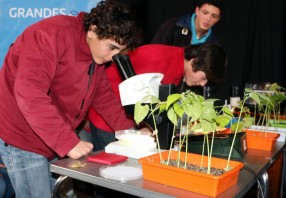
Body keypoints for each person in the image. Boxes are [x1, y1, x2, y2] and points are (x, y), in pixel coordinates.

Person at [0, 0, 141, 197]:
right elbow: (30, 94)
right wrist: (68, 142)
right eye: (112, 47)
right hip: (23, 137)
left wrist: (132, 134)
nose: (113, 57)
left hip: (52, 137)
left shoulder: (96, 53)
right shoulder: (50, 35)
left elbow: (103, 98)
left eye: (119, 51)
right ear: (93, 29)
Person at [88, 42, 228, 151]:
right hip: (108, 121)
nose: (203, 84)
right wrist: (131, 130)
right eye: (203, 78)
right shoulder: (159, 60)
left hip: (125, 122)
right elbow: (109, 92)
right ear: (193, 61)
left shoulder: (176, 64)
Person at [151, 0, 223, 47]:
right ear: (197, 10)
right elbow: (153, 52)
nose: (208, 19)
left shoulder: (214, 44)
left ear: (218, 19)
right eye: (205, 13)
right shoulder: (173, 26)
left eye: (214, 16)